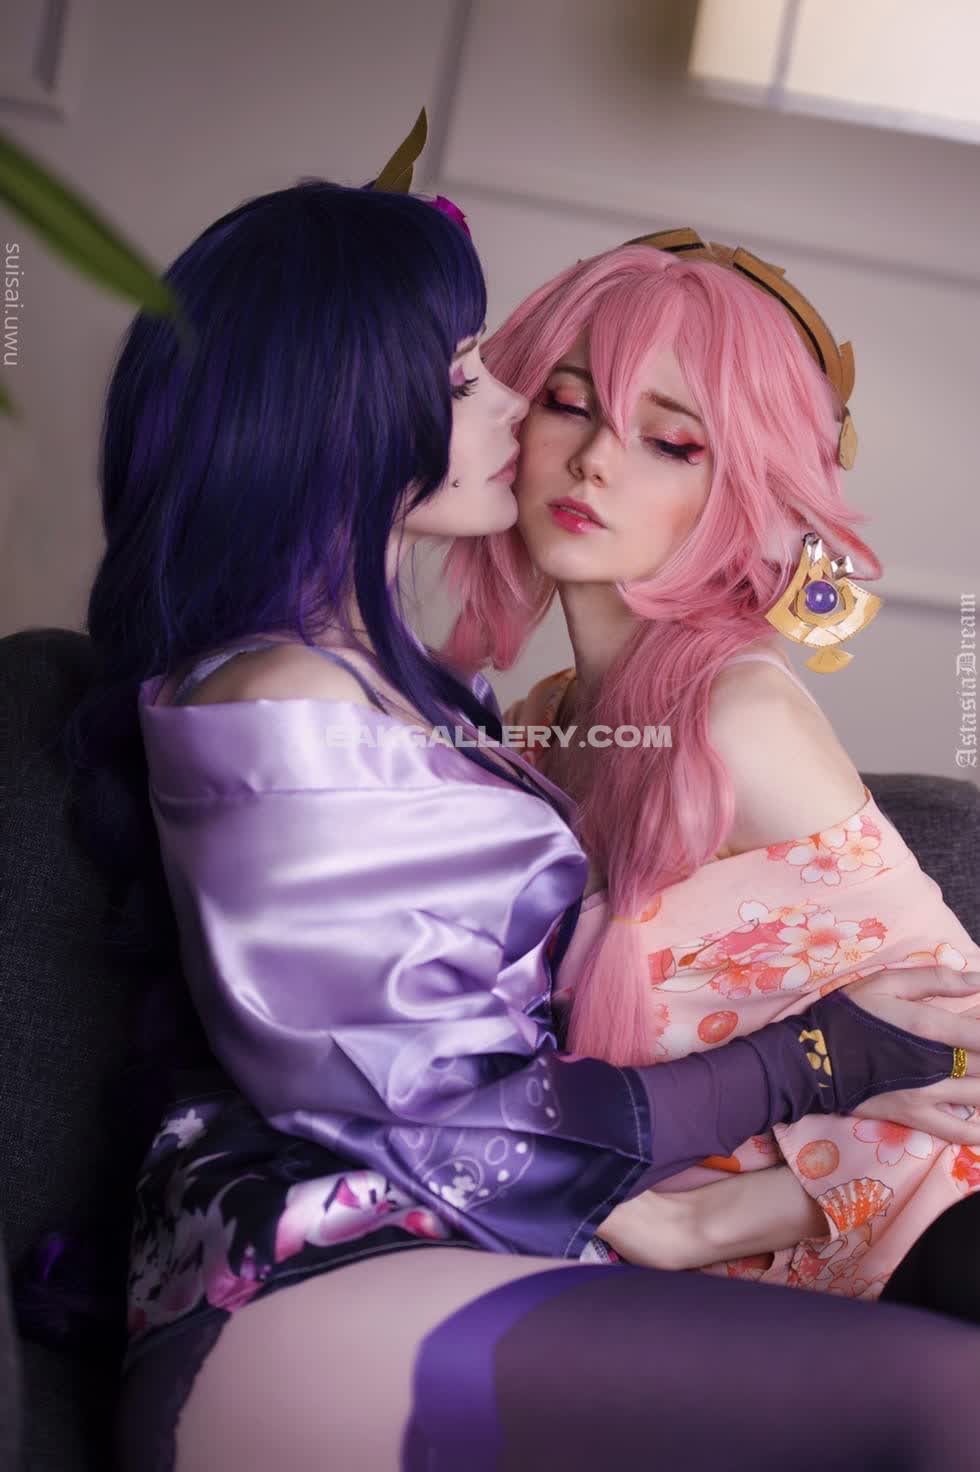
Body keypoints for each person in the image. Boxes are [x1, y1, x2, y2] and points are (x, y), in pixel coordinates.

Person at [64, 138, 980, 1471]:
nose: (558, 443)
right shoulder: (332, 704)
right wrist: (764, 1114)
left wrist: (722, 1196)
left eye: (669, 440)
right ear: (343, 414)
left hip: (490, 1248)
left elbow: (941, 1023)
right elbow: (421, 1097)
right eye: (516, 389)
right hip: (330, 1261)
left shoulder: (488, 710)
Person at [442, 229, 980, 1310]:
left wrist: (697, 1223)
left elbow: (960, 1047)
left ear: (742, 490)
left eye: (671, 442)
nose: (596, 460)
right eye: (569, 404)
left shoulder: (736, 720)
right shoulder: (547, 722)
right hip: (718, 1285)